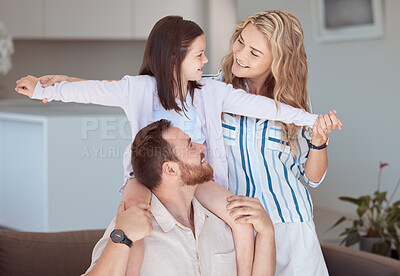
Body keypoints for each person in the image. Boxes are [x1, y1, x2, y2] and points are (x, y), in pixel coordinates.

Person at [15, 15, 328, 275]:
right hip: (145, 176)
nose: (207, 60)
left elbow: (264, 107)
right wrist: (47, 90)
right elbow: (97, 90)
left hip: (196, 177)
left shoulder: (209, 90)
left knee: (240, 221)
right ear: (175, 59)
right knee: (135, 217)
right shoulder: (141, 89)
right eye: (200, 55)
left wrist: (311, 119)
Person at [208, 10, 341, 275]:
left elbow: (312, 178)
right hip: (234, 228)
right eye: (240, 42)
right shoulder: (210, 91)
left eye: (255, 53)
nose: (241, 54)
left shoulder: (295, 104)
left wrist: (319, 141)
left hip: (290, 228)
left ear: (278, 61)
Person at [84, 119, 276, 275]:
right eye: (190, 145)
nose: (202, 147)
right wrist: (122, 237)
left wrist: (267, 232)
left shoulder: (223, 221)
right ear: (170, 169)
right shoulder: (130, 229)